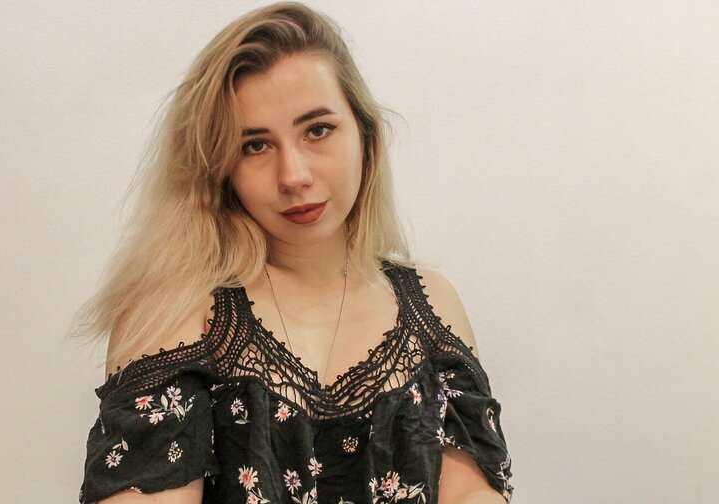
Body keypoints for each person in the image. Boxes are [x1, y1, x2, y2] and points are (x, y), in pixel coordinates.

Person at [69, 2, 513, 503]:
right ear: (220, 168)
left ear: (365, 135)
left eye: (317, 130)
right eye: (255, 146)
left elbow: (470, 493)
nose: (294, 176)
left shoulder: (432, 303)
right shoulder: (173, 313)